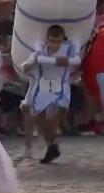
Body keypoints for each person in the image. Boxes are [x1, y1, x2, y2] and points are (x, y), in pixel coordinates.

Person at [19, 25, 81, 164]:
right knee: (36, 117)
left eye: (58, 41)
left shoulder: (69, 50)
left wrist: (61, 62)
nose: (55, 44)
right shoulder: (40, 52)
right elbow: (25, 68)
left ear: (62, 40)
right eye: (52, 41)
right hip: (42, 87)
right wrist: (36, 60)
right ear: (47, 40)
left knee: (50, 116)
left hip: (60, 86)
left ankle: (53, 141)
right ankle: (51, 145)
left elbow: (77, 65)